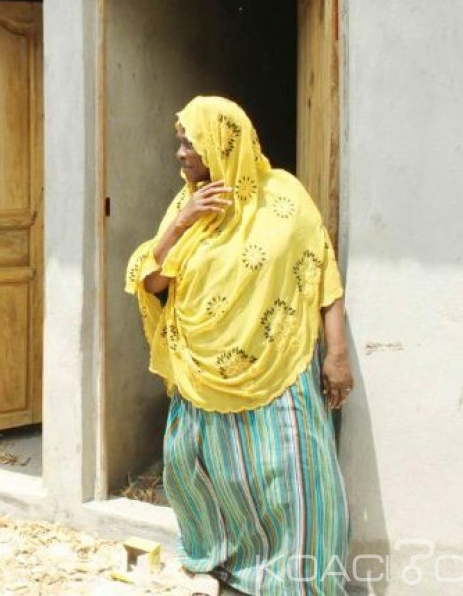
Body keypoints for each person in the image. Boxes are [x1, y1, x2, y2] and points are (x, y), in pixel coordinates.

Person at [125, 96, 353, 595]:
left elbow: (321, 277)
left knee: (297, 483)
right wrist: (181, 223)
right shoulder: (188, 204)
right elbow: (155, 280)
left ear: (223, 142)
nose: (180, 153)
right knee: (206, 476)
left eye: (191, 141)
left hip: (279, 367)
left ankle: (300, 579)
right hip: (203, 370)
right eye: (179, 141)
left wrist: (337, 355)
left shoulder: (284, 197)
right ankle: (232, 564)